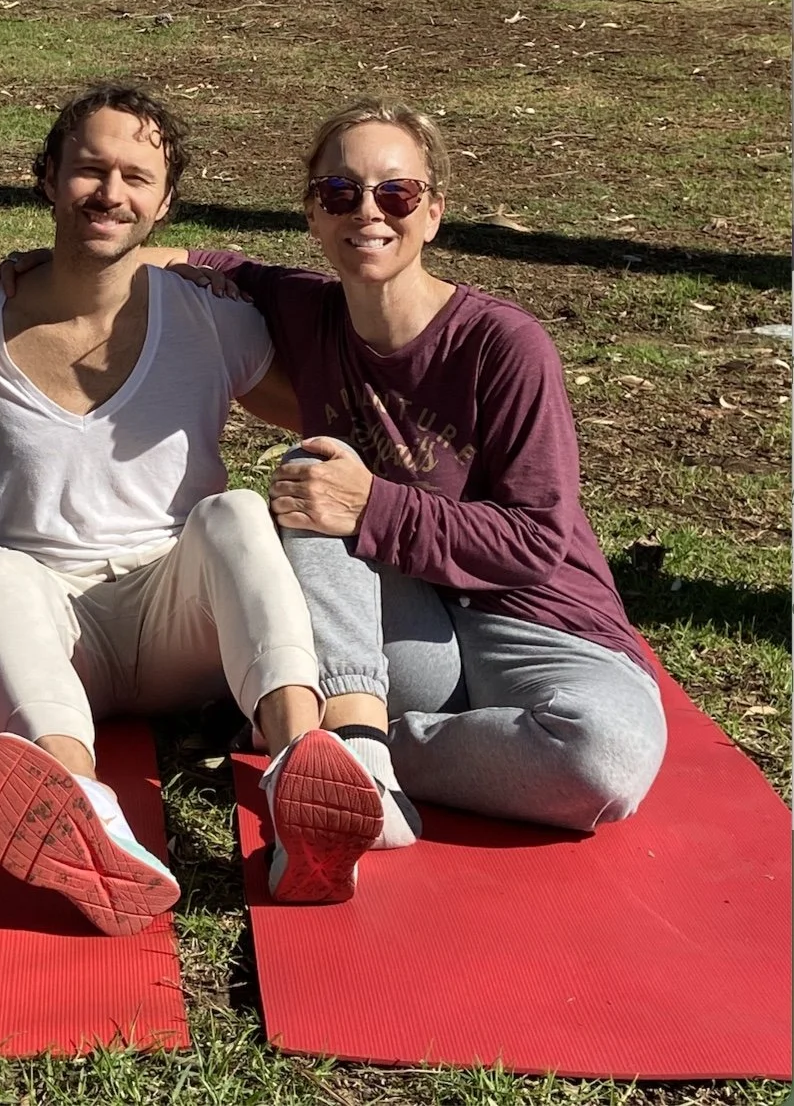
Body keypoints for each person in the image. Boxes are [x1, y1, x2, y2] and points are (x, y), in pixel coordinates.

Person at [142, 98, 667, 838]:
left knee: (600, 760)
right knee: (313, 476)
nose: (368, 212)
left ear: (432, 213)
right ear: (314, 215)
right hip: (402, 641)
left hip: (539, 626)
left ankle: (363, 750)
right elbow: (176, 260)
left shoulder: (504, 344)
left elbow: (536, 541)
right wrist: (46, 267)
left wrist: (374, 506)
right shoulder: (305, 309)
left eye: (396, 192)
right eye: (340, 192)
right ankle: (362, 760)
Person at [0, 84, 386, 938]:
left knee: (234, 513)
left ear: (164, 202)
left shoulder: (207, 320)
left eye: (135, 177)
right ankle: (83, 814)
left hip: (180, 618)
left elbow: (323, 411)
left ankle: (301, 775)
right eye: (89, 170)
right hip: (55, 631)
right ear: (46, 179)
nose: (111, 193)